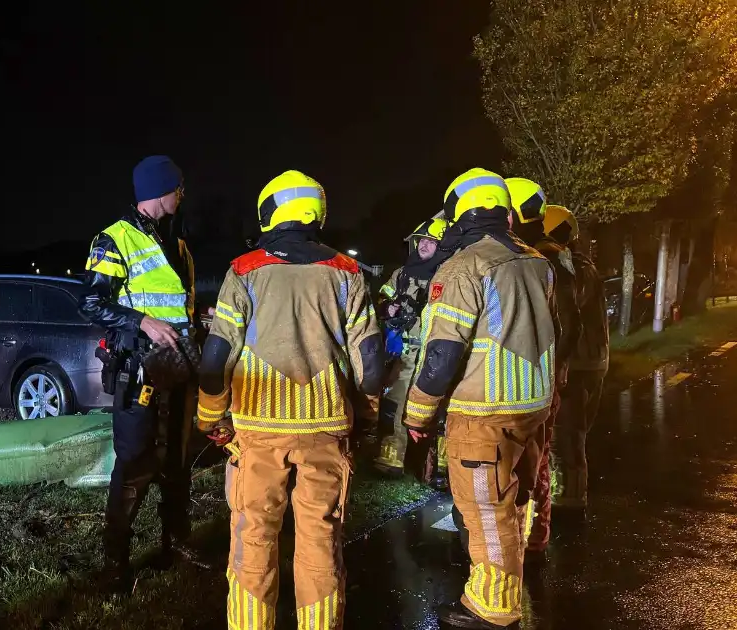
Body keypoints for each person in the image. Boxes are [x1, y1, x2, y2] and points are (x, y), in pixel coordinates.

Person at [196, 170, 384, 630]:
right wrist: (367, 418)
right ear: (316, 212)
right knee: (321, 540)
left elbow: (217, 355)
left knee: (253, 537)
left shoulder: (243, 271)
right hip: (325, 429)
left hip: (257, 431)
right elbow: (371, 364)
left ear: (270, 212)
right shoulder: (347, 272)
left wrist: (211, 418)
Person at [404, 168, 556, 629]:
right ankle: (512, 580)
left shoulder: (464, 267)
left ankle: (492, 607)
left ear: (458, 212)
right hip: (533, 403)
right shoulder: (537, 261)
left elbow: (442, 355)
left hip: (483, 410)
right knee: (517, 498)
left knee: (487, 513)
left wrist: (418, 414)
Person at [79, 155, 200, 594]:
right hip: (139, 369)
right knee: (133, 463)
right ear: (160, 190)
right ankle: (117, 561)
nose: (182, 194)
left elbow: (178, 306)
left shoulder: (178, 243)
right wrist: (142, 322)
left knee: (176, 460)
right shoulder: (114, 239)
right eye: (178, 187)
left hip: (179, 367)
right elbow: (90, 302)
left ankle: (175, 543)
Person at [505, 177, 577, 560]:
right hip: (537, 383)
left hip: (533, 386)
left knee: (534, 463)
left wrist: (548, 370)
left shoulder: (540, 262)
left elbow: (567, 326)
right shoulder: (544, 260)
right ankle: (529, 536)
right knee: (533, 460)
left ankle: (530, 539)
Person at [375, 217, 451, 488]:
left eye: (431, 242)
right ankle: (391, 459)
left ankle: (441, 466)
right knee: (395, 402)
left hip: (436, 354)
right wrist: (388, 309)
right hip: (405, 351)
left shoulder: (449, 275)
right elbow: (382, 298)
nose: (424, 246)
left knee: (438, 408)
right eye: (422, 241)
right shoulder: (401, 274)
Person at [544, 205, 608, 519]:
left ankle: (568, 502)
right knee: (571, 432)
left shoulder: (571, 268)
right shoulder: (580, 265)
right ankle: (567, 493)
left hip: (576, 363)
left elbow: (564, 313)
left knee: (566, 435)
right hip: (589, 361)